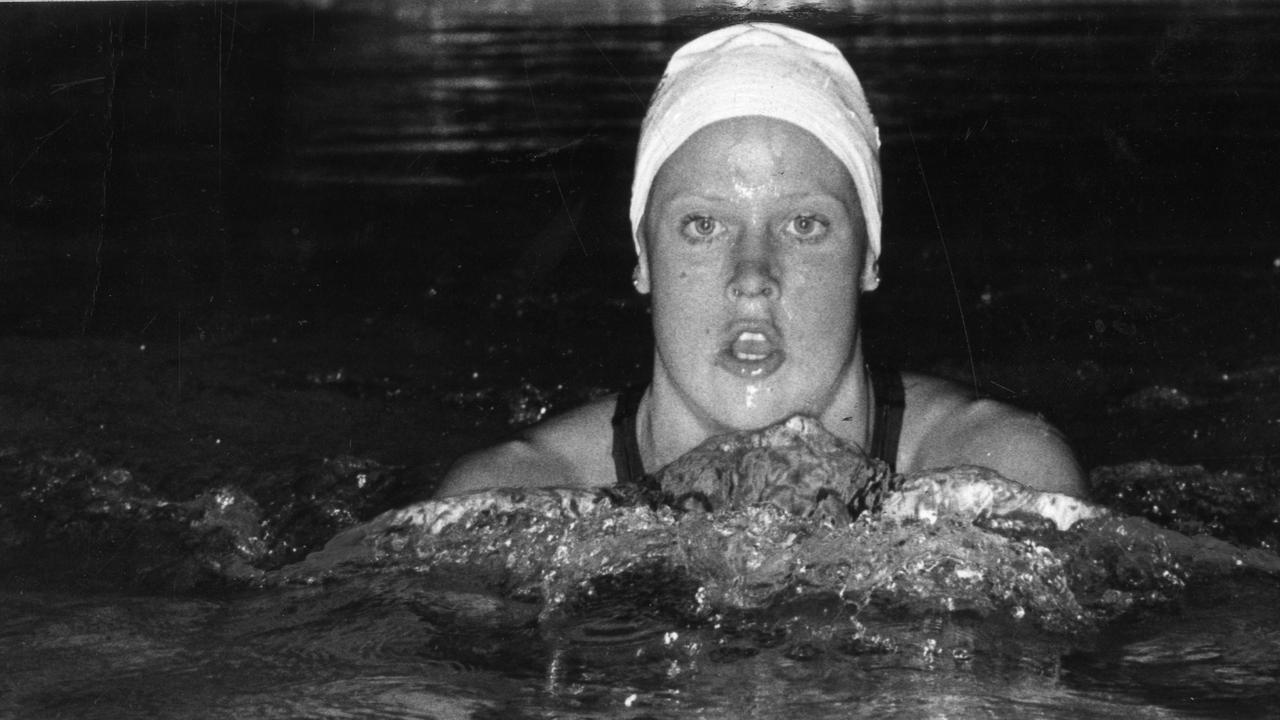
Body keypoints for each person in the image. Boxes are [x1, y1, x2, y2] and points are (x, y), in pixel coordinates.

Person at [435, 23, 1086, 500]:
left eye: (804, 225)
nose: (752, 277)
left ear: (869, 256)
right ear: (642, 257)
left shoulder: (1004, 475)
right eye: (703, 224)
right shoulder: (511, 496)